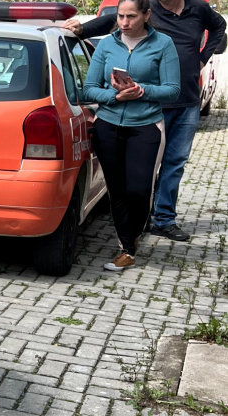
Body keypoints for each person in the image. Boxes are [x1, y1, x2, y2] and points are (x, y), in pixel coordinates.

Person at [64, 0, 225, 242]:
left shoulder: (198, 9)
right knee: (139, 174)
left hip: (186, 99)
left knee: (175, 162)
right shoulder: (147, 7)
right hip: (146, 106)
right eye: (123, 17)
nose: (125, 22)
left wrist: (201, 58)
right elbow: (116, 20)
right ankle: (141, 218)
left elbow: (219, 26)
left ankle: (163, 219)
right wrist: (84, 29)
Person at [82, 0, 180, 271]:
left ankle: (134, 232)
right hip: (109, 124)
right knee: (117, 191)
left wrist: (141, 90)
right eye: (121, 16)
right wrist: (114, 96)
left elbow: (172, 90)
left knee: (138, 189)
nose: (124, 22)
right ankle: (127, 247)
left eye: (131, 16)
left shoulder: (163, 44)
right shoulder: (106, 44)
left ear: (146, 15)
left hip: (146, 125)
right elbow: (89, 89)